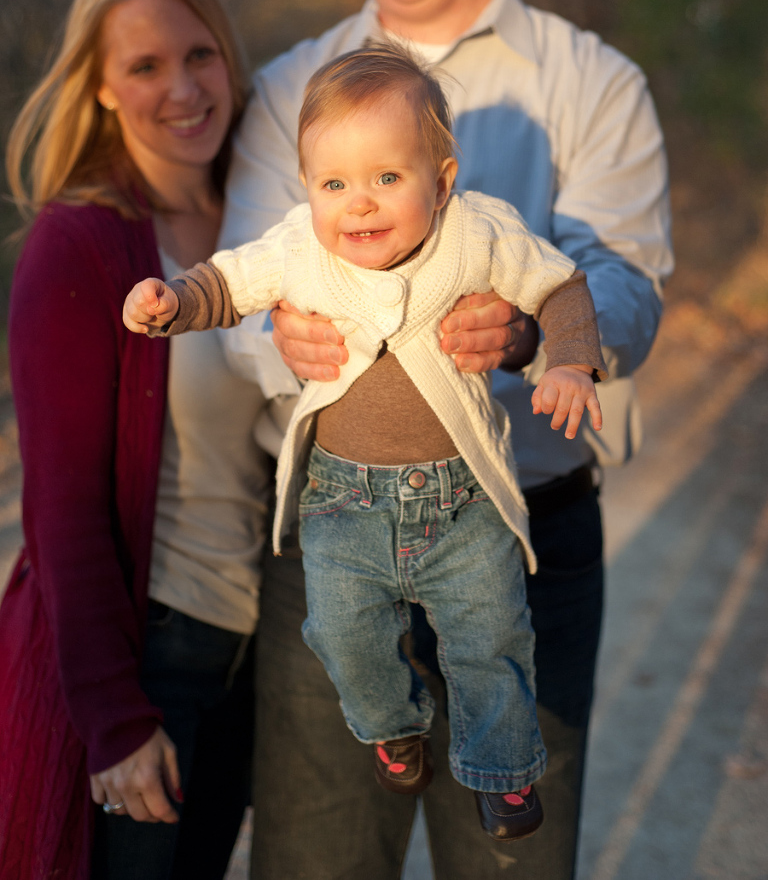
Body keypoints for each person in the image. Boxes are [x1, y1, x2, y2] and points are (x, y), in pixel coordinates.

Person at [220, 0, 674, 880]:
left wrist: (530, 337)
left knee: (507, 859)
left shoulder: (591, 80)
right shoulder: (290, 91)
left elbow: (626, 283)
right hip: (333, 529)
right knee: (317, 860)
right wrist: (276, 341)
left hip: (521, 535)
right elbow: (239, 290)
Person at [124, 44, 607, 842]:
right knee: (341, 633)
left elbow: (559, 283)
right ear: (306, 188)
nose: (360, 205)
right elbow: (227, 283)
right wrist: (171, 302)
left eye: (388, 178)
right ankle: (392, 723)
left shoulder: (478, 232)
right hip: (344, 500)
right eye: (334, 184)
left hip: (461, 502)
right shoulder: (299, 248)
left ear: (442, 180)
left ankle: (502, 772)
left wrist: (572, 361)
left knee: (492, 641)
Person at [0, 0, 273, 880]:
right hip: (145, 662)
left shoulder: (269, 215)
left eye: (198, 55)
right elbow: (61, 511)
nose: (183, 88)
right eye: (145, 67)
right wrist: (115, 720)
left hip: (253, 658)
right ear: (104, 89)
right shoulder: (78, 243)